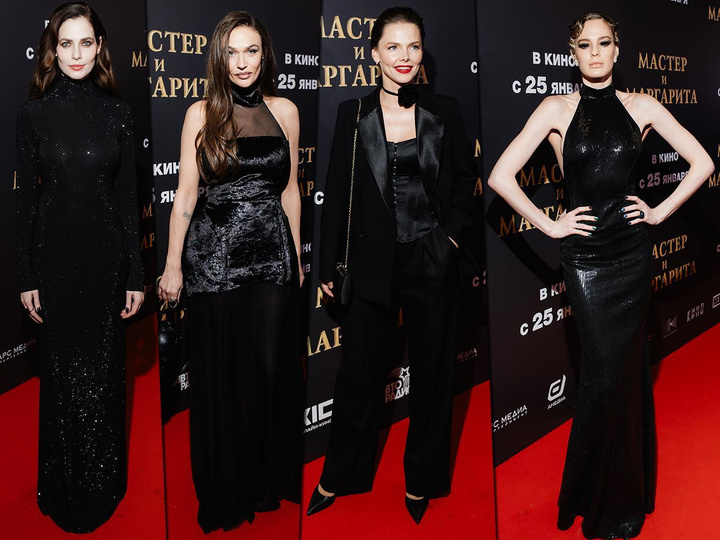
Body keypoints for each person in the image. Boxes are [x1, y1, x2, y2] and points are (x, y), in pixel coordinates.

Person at [487, 12, 714, 540]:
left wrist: (659, 211)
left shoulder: (643, 106)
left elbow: (702, 162)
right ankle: (593, 491)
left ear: (617, 49)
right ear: (573, 53)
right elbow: (500, 175)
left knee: (625, 373)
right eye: (584, 45)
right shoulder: (556, 109)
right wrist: (550, 224)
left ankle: (620, 499)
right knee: (604, 374)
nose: (594, 52)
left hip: (632, 255)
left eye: (603, 43)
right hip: (586, 261)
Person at [307, 6, 475, 525]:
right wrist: (330, 266)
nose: (405, 57)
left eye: (414, 46)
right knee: (359, 374)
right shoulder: (352, 113)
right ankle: (340, 474)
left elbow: (465, 185)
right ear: (375, 53)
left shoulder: (445, 110)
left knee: (432, 374)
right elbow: (335, 195)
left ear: (423, 53)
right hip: (370, 263)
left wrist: (448, 242)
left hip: (431, 257)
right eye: (394, 46)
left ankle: (423, 479)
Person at [156, 11, 303, 533]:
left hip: (271, 256)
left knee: (267, 371)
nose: (242, 63)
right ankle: (227, 489)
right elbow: (185, 196)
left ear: (265, 55)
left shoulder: (285, 110)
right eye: (232, 52)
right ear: (219, 58)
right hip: (214, 257)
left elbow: (291, 190)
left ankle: (262, 480)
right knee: (222, 376)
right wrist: (172, 265)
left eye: (252, 51)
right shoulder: (201, 114)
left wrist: (296, 257)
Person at [15, 2, 145, 533]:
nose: (75, 54)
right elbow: (25, 205)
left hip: (106, 265)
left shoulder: (118, 114)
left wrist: (135, 274)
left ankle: (103, 484)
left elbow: (127, 199)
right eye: (65, 43)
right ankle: (64, 487)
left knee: (105, 380)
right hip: (56, 264)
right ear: (52, 49)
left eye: (85, 43)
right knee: (63, 380)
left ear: (99, 47)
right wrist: (27, 276)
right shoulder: (34, 115)